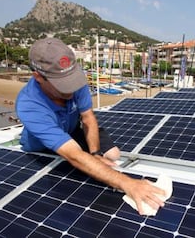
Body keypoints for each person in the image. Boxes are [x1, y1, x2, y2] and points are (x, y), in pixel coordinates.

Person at [16, 38, 165, 215]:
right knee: (73, 177)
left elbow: (88, 118)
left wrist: (95, 154)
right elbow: (74, 155)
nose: (70, 89)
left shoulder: (74, 81)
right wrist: (128, 183)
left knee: (112, 155)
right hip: (42, 147)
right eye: (62, 84)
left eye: (71, 80)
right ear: (38, 76)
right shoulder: (29, 105)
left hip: (71, 130)